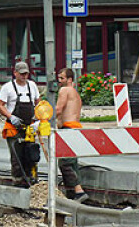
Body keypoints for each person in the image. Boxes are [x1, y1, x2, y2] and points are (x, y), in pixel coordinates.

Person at [0, 62, 41, 187]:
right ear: (15, 73)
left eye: (26, 73)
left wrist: (38, 120)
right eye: (21, 73)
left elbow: (38, 103)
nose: (24, 76)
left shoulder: (32, 86)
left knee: (31, 154)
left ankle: (31, 179)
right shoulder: (8, 87)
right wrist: (10, 117)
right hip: (14, 127)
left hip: (29, 127)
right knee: (17, 156)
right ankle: (17, 181)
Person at [56, 68, 89, 203]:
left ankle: (78, 192)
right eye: (59, 78)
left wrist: (43, 118)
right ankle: (73, 192)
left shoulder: (64, 90)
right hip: (76, 128)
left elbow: (59, 109)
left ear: (69, 80)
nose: (59, 81)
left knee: (64, 162)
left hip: (68, 128)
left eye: (62, 78)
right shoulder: (75, 93)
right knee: (72, 162)